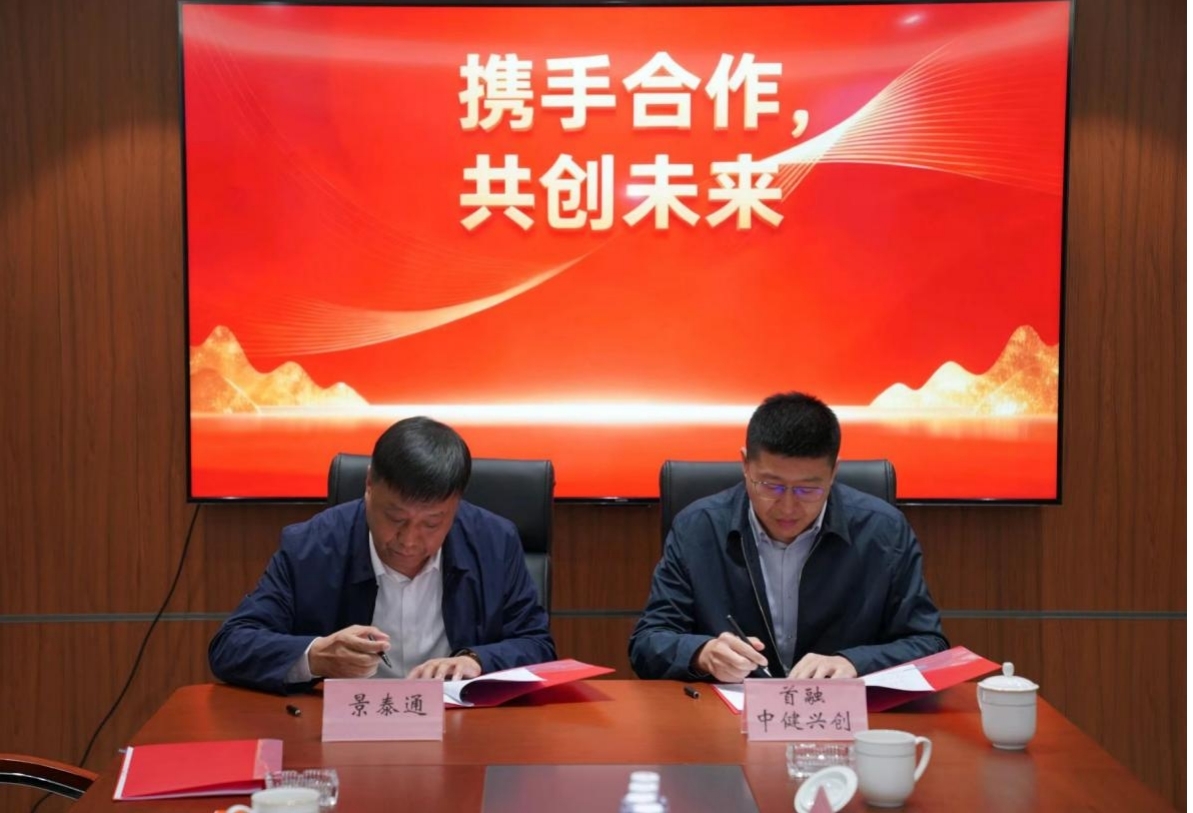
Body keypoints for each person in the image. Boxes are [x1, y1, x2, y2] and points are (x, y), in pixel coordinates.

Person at [209, 416, 555, 694]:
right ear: (369, 485)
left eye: (432, 523)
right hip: (347, 730)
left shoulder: (494, 542)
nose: (409, 540)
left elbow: (538, 645)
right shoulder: (311, 545)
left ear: (456, 505)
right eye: (395, 517)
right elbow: (230, 646)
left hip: (461, 730)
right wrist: (315, 656)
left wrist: (477, 661)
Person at [629, 392, 947, 683]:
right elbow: (648, 642)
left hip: (844, 718)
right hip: (727, 718)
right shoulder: (698, 527)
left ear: (834, 473)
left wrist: (854, 663)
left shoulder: (883, 530)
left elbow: (929, 645)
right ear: (745, 465)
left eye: (808, 489)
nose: (788, 507)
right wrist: (702, 654)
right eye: (771, 486)